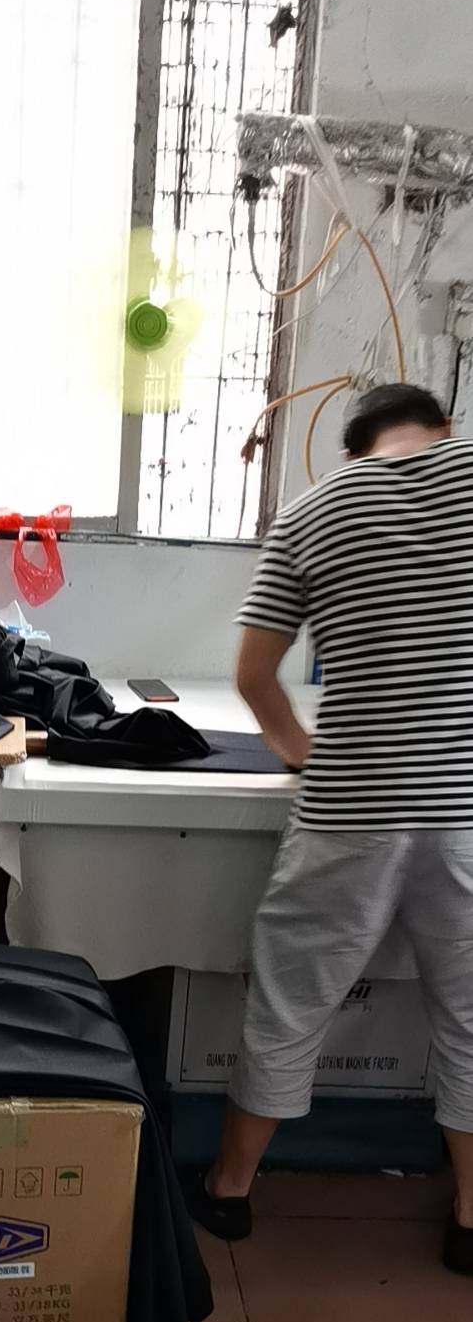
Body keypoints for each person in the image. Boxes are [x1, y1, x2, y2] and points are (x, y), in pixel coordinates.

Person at [188, 382, 473, 1275]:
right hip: (464, 806)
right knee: (470, 1020)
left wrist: (300, 752)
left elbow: (253, 674)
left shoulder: (315, 508)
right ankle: (470, 1219)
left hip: (350, 803)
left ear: (352, 448)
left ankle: (229, 1192)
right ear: (444, 427)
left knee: (289, 1005)